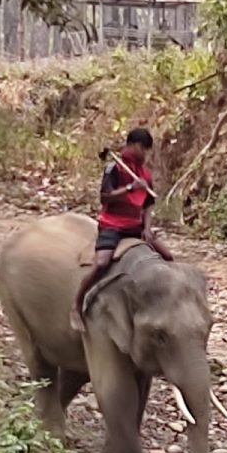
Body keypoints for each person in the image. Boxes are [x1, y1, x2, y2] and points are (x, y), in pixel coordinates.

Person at [73, 127, 174, 331]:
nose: (145, 155)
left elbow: (148, 204)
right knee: (102, 263)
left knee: (168, 257)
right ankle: (77, 304)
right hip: (112, 224)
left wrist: (147, 228)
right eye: (143, 150)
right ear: (134, 146)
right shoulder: (114, 168)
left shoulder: (144, 173)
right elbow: (105, 197)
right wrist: (129, 189)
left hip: (134, 225)